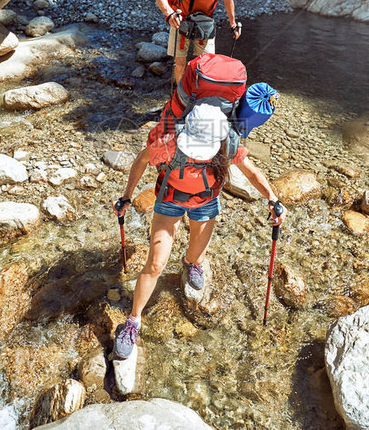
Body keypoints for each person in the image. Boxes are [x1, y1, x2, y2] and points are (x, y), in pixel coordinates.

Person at [111, 103, 285, 359]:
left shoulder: (228, 142)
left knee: (195, 257)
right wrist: (127, 197)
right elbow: (141, 160)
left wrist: (272, 198)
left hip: (205, 203)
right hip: (170, 201)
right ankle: (133, 322)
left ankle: (191, 263)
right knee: (155, 265)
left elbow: (252, 173)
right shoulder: (169, 142)